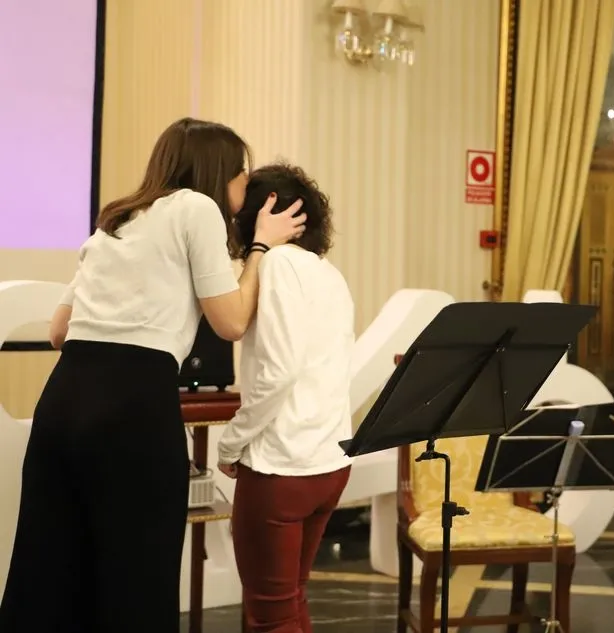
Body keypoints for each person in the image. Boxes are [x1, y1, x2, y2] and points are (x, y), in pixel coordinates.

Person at [0, 118, 305, 633]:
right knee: (137, 579)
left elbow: (58, 331)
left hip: (64, 400)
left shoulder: (117, 219)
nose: (243, 187)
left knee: (50, 570)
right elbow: (231, 321)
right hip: (133, 406)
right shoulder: (197, 208)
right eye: (242, 174)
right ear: (219, 172)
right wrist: (260, 247)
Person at [216, 163, 354, 633]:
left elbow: (278, 372)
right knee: (291, 600)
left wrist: (231, 443)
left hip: (282, 467)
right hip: (330, 462)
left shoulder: (275, 265)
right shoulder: (328, 272)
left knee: (270, 615)